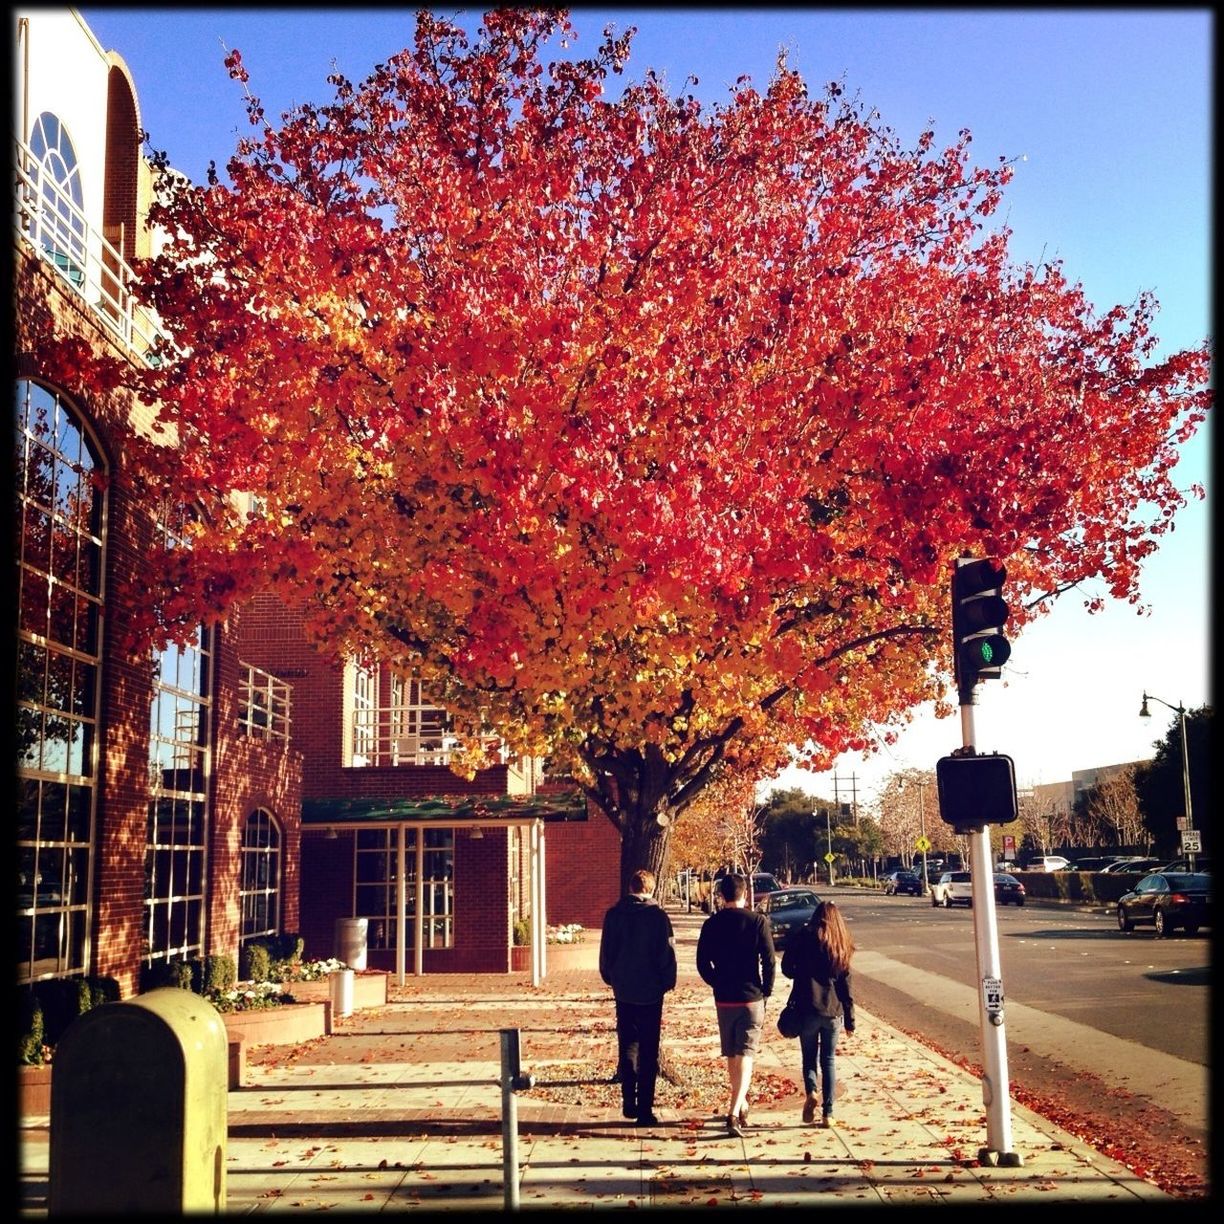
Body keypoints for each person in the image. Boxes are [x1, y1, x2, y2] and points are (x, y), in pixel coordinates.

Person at [695, 873, 776, 1137]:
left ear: (721, 895)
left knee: (733, 1055)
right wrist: (766, 990)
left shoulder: (711, 925)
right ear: (744, 894)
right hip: (751, 996)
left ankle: (741, 1104)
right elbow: (769, 960)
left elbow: (702, 963)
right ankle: (733, 1112)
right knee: (746, 1055)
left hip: (724, 998)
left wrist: (716, 982)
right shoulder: (757, 922)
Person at [598, 868, 678, 1126]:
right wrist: (667, 982)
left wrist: (612, 978)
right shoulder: (658, 917)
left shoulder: (613, 916)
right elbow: (667, 953)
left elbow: (605, 953)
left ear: (631, 888)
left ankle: (628, 1101)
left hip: (624, 989)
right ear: (651, 889)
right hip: (651, 992)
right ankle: (645, 1109)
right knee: (648, 1050)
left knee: (628, 1045)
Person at [780, 899, 855, 1128]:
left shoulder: (802, 937)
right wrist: (850, 1019)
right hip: (832, 1010)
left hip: (807, 1007)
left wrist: (800, 972)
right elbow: (846, 985)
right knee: (829, 1060)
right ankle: (828, 1112)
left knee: (809, 1056)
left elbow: (786, 968)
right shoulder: (840, 943)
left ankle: (812, 1090)